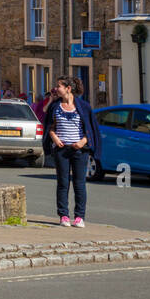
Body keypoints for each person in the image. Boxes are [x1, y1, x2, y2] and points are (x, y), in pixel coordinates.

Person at [41, 76, 101, 228]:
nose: (56, 88)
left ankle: (80, 217)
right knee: (63, 183)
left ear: (68, 88)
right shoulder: (55, 106)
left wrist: (82, 142)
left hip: (79, 151)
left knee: (79, 184)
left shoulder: (84, 106)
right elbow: (49, 126)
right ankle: (64, 216)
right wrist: (54, 139)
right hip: (61, 150)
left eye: (58, 86)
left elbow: (91, 130)